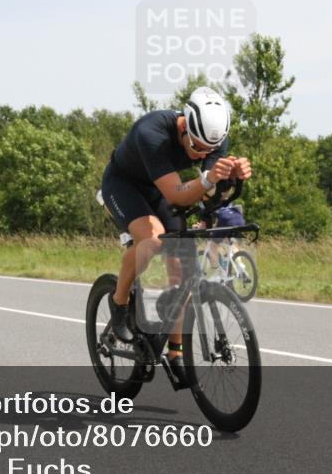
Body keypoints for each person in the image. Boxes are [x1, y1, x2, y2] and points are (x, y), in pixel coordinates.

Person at [100, 87, 252, 381]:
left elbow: (209, 193)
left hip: (159, 189)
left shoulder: (212, 137)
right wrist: (209, 177)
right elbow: (179, 195)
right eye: (196, 149)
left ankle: (175, 351)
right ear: (184, 125)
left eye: (210, 151)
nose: (203, 154)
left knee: (183, 267)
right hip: (124, 185)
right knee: (153, 238)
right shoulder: (152, 133)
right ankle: (119, 302)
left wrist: (230, 178)